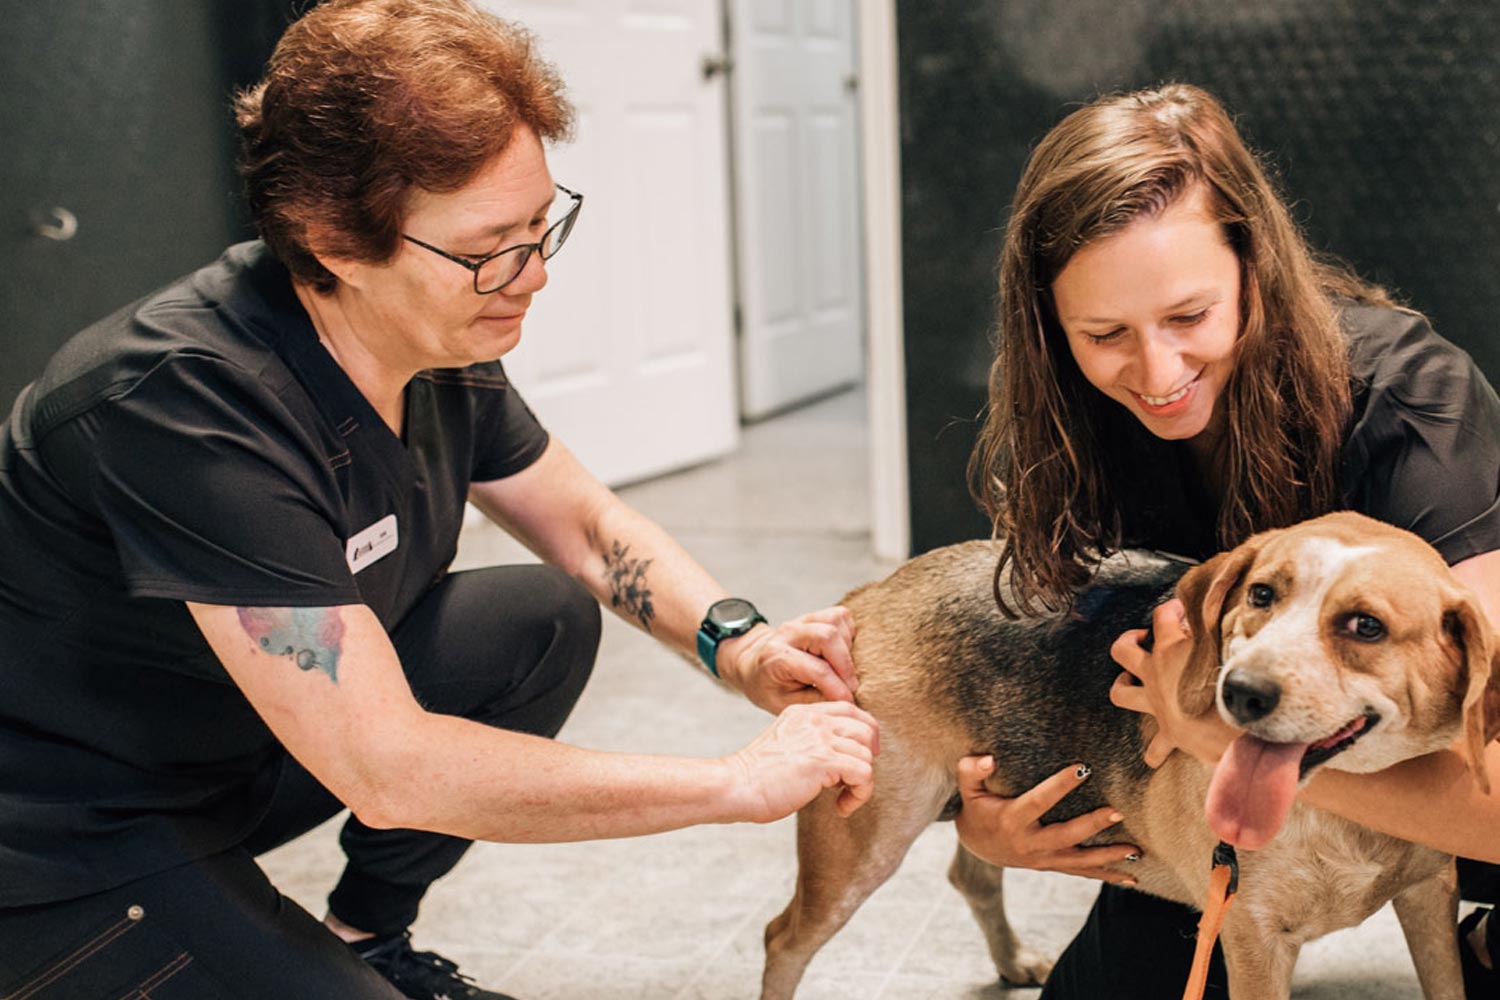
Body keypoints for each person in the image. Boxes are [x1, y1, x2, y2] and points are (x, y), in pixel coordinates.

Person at [0, 3, 878, 999]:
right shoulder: (184, 408)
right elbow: (392, 768)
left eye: (544, 227)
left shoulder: (432, 344)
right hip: (69, 832)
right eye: (491, 248)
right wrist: (733, 785)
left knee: (534, 620)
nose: (534, 275)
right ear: (331, 238)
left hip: (237, 751)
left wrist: (744, 644)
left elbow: (586, 528)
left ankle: (367, 935)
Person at [952, 82, 1500, 997]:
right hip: (1231, 792)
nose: (1157, 372)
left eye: (1188, 316)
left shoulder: (1413, 408)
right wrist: (981, 827)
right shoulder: (1083, 416)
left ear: (1255, 264)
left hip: (1459, 794)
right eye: (1104, 332)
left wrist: (1209, 734)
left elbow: (1494, 778)